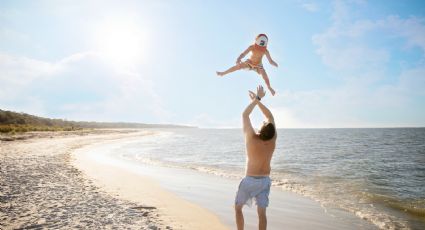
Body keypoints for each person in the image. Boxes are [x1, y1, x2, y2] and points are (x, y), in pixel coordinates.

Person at [235, 85, 277, 230]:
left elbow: (245, 115)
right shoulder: (272, 140)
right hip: (265, 180)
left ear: (261, 129)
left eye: (263, 123)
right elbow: (270, 116)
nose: (265, 121)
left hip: (250, 180)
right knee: (262, 214)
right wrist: (258, 101)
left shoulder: (252, 138)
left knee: (238, 208)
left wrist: (256, 99)